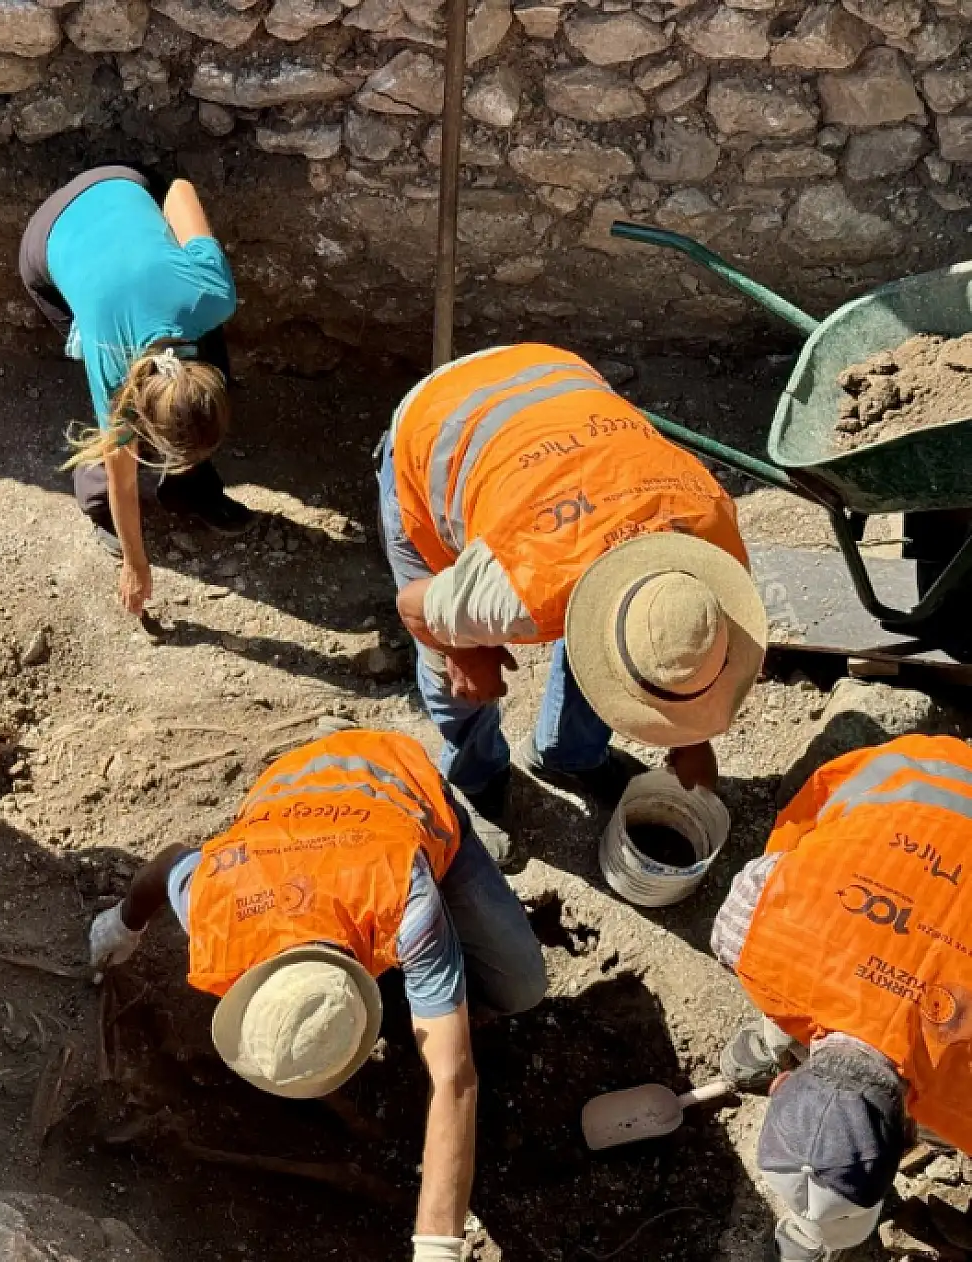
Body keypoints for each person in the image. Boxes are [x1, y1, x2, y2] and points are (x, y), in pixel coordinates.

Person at [87, 729, 547, 1262]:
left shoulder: (404, 905)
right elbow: (170, 861)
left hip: (396, 787)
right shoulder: (215, 909)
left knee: (522, 989)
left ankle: (460, 849)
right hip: (294, 790)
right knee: (431, 991)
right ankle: (422, 989)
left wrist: (438, 1245)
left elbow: (454, 1077)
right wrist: (123, 924)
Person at [377, 342, 766, 839]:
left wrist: (692, 738)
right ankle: (477, 778)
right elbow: (412, 607)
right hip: (436, 433)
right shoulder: (518, 591)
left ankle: (569, 755)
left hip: (558, 391)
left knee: (632, 647)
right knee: (460, 683)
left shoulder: (716, 557)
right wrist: (461, 651)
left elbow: (666, 639)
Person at [711, 733, 972, 1262]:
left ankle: (773, 1037)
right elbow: (769, 881)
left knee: (795, 985)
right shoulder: (757, 941)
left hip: (928, 773)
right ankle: (774, 1033)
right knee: (789, 983)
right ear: (907, 1138)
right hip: (923, 774)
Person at [19, 166, 254, 615]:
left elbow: (180, 188)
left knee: (212, 348)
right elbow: (122, 471)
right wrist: (135, 563)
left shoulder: (213, 294)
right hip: (48, 236)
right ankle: (94, 503)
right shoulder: (111, 361)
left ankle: (189, 490)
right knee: (116, 430)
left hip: (126, 184)